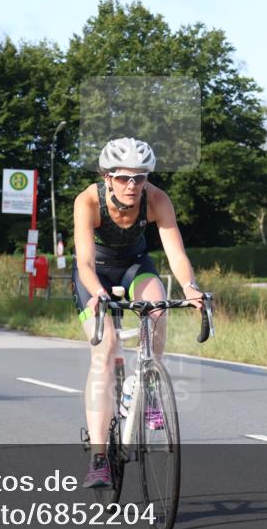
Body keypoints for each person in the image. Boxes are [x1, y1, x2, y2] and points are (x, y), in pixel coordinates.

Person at [72, 137, 203, 489]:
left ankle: (146, 386)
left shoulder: (157, 200)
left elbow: (175, 254)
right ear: (107, 177)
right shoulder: (88, 201)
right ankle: (99, 458)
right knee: (105, 350)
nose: (133, 185)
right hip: (94, 274)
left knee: (158, 309)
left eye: (140, 177)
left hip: (134, 266)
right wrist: (98, 293)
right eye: (124, 177)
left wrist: (191, 288)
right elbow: (83, 261)